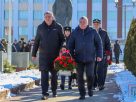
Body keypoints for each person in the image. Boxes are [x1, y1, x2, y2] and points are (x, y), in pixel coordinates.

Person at [32, 11, 65, 100]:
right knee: (44, 76)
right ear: (44, 17)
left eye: (49, 16)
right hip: (44, 56)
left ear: (52, 17)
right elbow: (37, 41)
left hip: (55, 56)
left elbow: (63, 40)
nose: (48, 18)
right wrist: (33, 53)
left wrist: (63, 47)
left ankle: (54, 91)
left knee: (54, 76)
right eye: (46, 16)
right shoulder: (40, 27)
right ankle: (45, 93)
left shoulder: (58, 27)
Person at [68, 16, 103, 100]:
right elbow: (70, 45)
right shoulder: (75, 32)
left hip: (90, 58)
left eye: (84, 22)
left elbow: (99, 44)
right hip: (78, 59)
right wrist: (72, 56)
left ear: (87, 23)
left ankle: (90, 89)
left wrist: (99, 55)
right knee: (79, 77)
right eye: (81, 22)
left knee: (90, 75)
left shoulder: (93, 31)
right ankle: (82, 94)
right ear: (79, 23)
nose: (82, 23)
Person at [93, 19, 111, 91]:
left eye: (97, 23)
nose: (96, 24)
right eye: (95, 23)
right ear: (93, 24)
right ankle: (93, 85)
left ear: (100, 24)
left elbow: (108, 44)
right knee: (93, 70)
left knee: (101, 71)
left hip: (102, 54)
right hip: (92, 55)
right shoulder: (90, 32)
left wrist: (108, 54)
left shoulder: (104, 33)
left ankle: (101, 85)